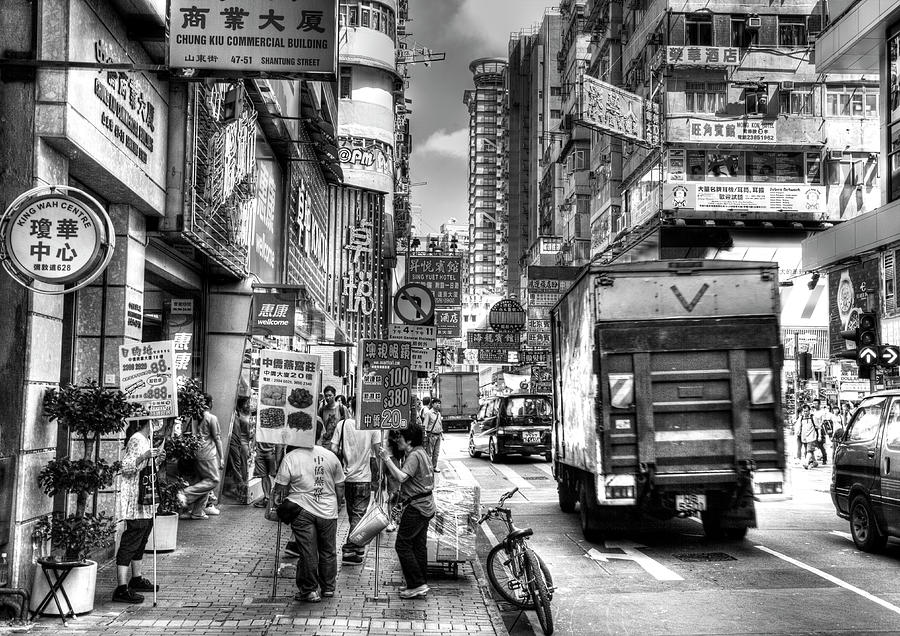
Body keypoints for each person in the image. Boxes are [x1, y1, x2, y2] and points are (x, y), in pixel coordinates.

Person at [273, 420, 345, 603]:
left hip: (301, 509)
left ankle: (309, 590)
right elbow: (340, 486)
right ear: (321, 435)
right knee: (328, 550)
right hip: (328, 510)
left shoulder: (291, 457)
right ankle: (328, 588)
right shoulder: (331, 456)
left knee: (308, 550)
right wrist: (337, 502)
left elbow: (280, 489)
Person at [378, 426, 435, 599]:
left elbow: (402, 477)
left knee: (402, 545)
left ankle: (417, 584)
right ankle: (419, 583)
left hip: (417, 507)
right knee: (418, 546)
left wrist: (387, 459)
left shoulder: (414, 456)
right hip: (425, 505)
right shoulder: (422, 452)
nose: (397, 440)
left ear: (409, 440)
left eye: (400, 437)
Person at [113, 418, 166, 603]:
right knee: (131, 540)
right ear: (148, 421)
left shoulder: (148, 440)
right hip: (136, 501)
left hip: (147, 500)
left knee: (141, 540)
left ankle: (136, 578)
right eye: (156, 421)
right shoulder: (136, 439)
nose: (159, 424)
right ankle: (121, 587)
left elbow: (149, 470)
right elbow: (126, 467)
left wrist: (157, 459)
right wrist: (144, 457)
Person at [328, 395, 381, 565]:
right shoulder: (372, 427)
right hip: (363, 478)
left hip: (345, 477)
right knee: (358, 515)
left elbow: (333, 448)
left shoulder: (342, 424)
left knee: (353, 515)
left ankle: (358, 547)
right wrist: (380, 476)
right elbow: (377, 452)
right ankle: (350, 549)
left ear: (350, 407)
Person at [183, 394, 224, 519]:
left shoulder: (194, 417)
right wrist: (221, 458)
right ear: (208, 403)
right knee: (213, 480)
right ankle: (185, 494)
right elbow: (217, 438)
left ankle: (198, 511)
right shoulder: (211, 418)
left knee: (203, 481)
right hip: (207, 454)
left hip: (195, 453)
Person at [226, 397, 253, 503]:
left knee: (241, 466)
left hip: (245, 443)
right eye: (246, 403)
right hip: (240, 443)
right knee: (239, 467)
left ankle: (240, 490)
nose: (248, 405)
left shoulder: (243, 415)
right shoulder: (238, 415)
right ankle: (241, 490)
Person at [796, 404, 819, 469]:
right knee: (808, 451)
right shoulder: (801, 418)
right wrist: (798, 433)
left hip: (812, 437)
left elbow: (818, 427)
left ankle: (806, 463)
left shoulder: (813, 417)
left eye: (806, 411)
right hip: (804, 437)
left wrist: (819, 436)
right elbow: (798, 427)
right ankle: (814, 462)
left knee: (809, 451)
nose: (805, 412)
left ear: (809, 411)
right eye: (804, 411)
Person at [423, 398, 443, 471]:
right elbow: (425, 425)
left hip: (438, 435)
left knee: (436, 452)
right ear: (432, 404)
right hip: (431, 435)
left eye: (439, 403)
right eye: (436, 403)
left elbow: (440, 424)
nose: (438, 405)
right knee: (429, 452)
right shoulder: (429, 413)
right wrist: (425, 435)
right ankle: (428, 468)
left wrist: (442, 434)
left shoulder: (438, 413)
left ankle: (434, 467)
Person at [811, 399, 829, 465]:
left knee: (821, 445)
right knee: (814, 445)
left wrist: (819, 433)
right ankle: (814, 459)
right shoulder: (813, 412)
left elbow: (823, 422)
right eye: (814, 403)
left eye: (816, 403)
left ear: (819, 404)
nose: (814, 405)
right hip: (814, 430)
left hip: (820, 430)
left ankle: (825, 458)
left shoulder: (822, 412)